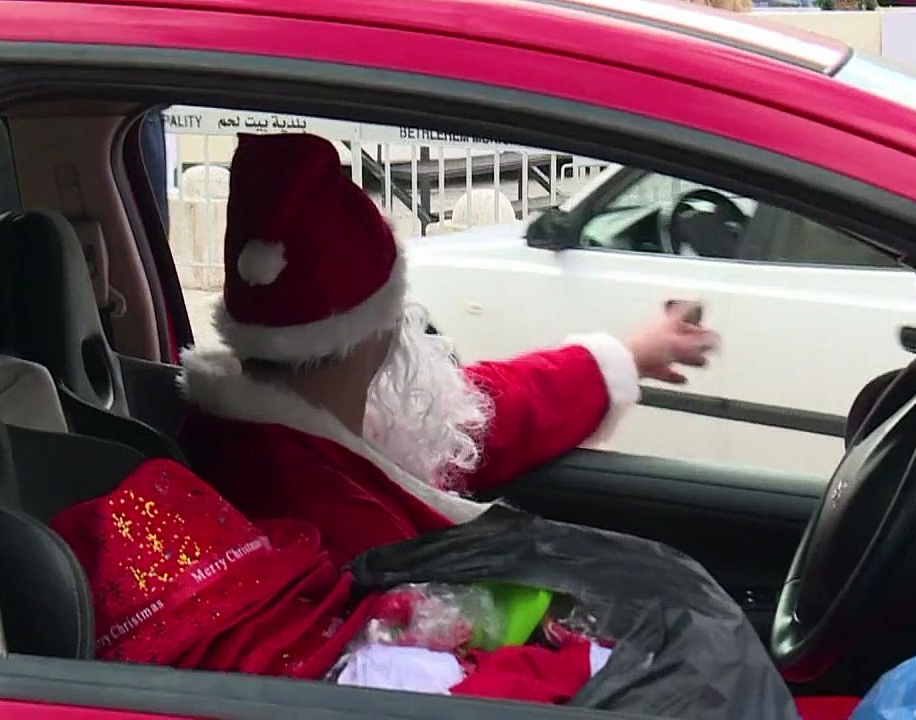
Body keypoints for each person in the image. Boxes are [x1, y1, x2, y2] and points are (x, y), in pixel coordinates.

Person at [178, 133, 719, 568]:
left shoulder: (273, 437)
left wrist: (629, 355)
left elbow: (484, 410)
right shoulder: (340, 520)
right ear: (379, 330)